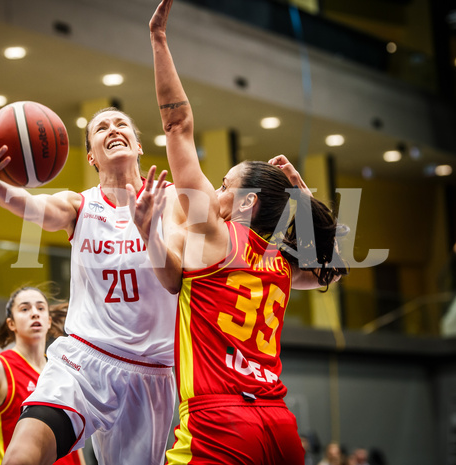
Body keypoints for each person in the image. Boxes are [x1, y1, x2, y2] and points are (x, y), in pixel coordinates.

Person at [136, 1, 348, 463]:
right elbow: (333, 270)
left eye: (225, 183)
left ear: (247, 203)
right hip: (279, 427)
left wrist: (158, 40)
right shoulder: (281, 264)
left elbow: (176, 125)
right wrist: (303, 195)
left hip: (222, 425)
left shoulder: (213, 236)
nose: (214, 189)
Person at [0, 89, 184, 463]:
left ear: (137, 146)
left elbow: (181, 276)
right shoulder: (80, 205)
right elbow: (33, 206)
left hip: (150, 372)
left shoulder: (176, 201)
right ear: (91, 156)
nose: (112, 129)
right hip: (84, 360)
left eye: (121, 125)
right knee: (23, 452)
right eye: (101, 127)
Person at [0, 286, 84, 465]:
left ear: (48, 321)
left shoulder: (62, 369)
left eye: (40, 308)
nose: (34, 313)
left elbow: (74, 440)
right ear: (11, 323)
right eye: (25, 309)